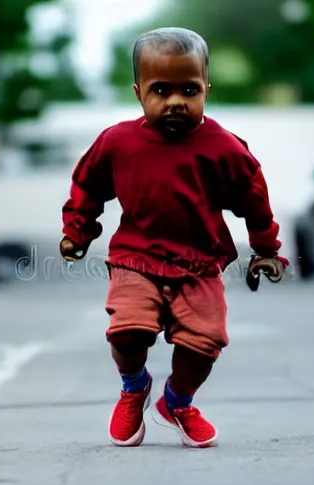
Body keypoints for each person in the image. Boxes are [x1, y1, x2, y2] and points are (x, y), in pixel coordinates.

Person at [59, 27, 289, 448]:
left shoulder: (224, 148)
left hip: (199, 263)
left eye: (190, 89)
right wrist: (77, 231)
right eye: (161, 90)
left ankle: (177, 402)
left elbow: (254, 197)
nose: (176, 101)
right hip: (136, 258)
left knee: (204, 345)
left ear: (206, 88)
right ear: (138, 91)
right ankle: (134, 387)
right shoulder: (118, 142)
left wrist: (265, 250)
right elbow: (88, 186)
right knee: (127, 333)